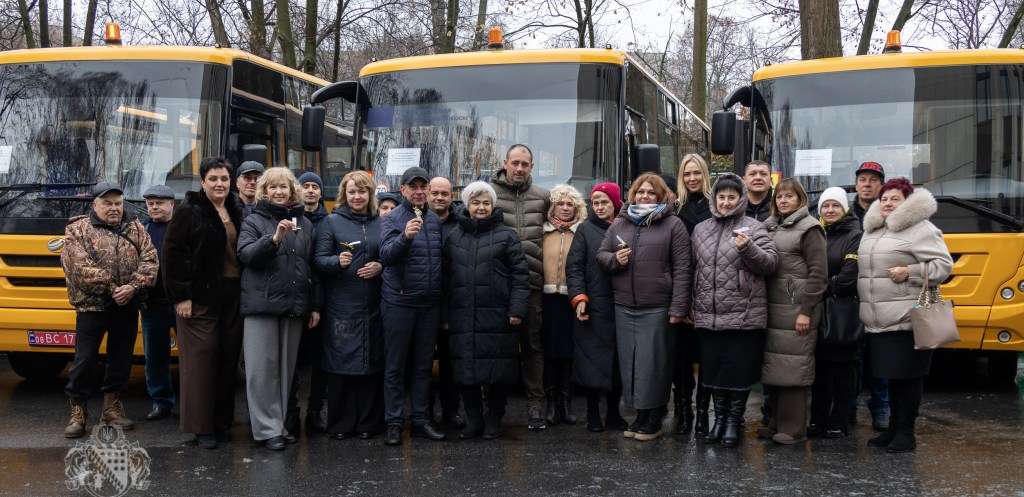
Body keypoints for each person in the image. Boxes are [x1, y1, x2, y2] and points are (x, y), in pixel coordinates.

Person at [858, 177, 952, 453]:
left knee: (908, 377)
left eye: (894, 199)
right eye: (884, 198)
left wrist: (910, 272)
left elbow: (944, 266)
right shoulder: (873, 230)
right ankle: (892, 430)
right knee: (892, 376)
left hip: (907, 317)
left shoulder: (921, 228)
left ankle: (905, 433)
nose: (887, 203)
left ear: (907, 202)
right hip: (878, 319)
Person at [597, 173, 692, 442]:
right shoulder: (620, 223)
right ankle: (640, 414)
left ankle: (654, 417)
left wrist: (678, 308)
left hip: (658, 306)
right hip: (625, 305)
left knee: (654, 365)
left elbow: (683, 269)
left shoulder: (673, 225)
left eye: (651, 193)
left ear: (660, 196)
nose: (644, 197)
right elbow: (601, 255)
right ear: (633, 195)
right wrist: (616, 259)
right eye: (640, 192)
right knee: (631, 364)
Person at [61, 182, 158, 438]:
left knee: (121, 358)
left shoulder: (136, 227)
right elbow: (77, 266)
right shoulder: (77, 229)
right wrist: (115, 287)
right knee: (85, 359)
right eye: (107, 204)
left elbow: (150, 260)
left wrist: (133, 287)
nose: (114, 208)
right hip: (92, 305)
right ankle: (78, 410)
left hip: (126, 305)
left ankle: (111, 407)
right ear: (95, 205)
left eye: (117, 203)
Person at [163, 157, 245, 450]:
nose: (220, 184)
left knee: (226, 360)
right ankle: (201, 428)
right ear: (203, 182)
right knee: (200, 363)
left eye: (224, 178)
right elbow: (172, 256)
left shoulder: (237, 209)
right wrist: (181, 296)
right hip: (198, 299)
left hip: (232, 297)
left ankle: (221, 423)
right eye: (214, 179)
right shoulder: (189, 212)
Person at [691, 173, 778, 448]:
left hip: (743, 313)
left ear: (740, 198)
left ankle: (733, 422)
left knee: (738, 371)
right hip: (708, 313)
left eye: (731, 197)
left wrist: (748, 248)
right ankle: (718, 420)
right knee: (715, 372)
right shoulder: (701, 229)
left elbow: (770, 264)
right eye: (722, 197)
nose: (726, 202)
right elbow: (693, 268)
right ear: (714, 198)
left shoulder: (754, 227)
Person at [237, 167, 320, 451]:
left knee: (286, 371)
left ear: (292, 190)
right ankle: (266, 429)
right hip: (262, 306)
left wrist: (314, 305)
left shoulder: (304, 224)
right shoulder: (253, 220)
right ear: (264, 191)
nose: (279, 191)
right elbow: (246, 255)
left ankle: (280, 425)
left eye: (284, 186)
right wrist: (273, 240)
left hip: (294, 306)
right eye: (272, 187)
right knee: (262, 371)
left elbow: (310, 266)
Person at [443, 181, 530, 440]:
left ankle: (493, 419)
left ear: (493, 206)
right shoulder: (453, 236)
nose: (481, 207)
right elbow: (444, 279)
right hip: (462, 315)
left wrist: (516, 309)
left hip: (498, 315)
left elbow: (520, 276)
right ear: (467, 205)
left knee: (498, 372)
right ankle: (474, 420)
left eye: (486, 203)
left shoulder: (507, 235)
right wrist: (445, 316)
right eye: (475, 202)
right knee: (465, 371)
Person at [315, 171, 386, 440]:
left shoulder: (381, 223)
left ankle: (369, 424)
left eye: (362, 192)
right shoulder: (330, 223)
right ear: (344, 194)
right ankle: (341, 425)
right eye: (352, 192)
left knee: (372, 364)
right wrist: (337, 262)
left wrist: (381, 265)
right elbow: (318, 260)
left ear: (370, 195)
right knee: (340, 366)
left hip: (375, 305)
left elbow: (390, 255)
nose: (357, 197)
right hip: (341, 306)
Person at [379, 166, 446, 445]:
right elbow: (385, 255)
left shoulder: (434, 220)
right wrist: (405, 237)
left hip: (428, 305)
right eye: (413, 187)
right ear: (403, 190)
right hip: (399, 302)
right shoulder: (392, 218)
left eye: (423, 187)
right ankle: (394, 422)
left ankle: (420, 420)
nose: (419, 192)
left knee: (422, 367)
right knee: (395, 366)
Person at [759, 179, 827, 445]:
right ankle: (774, 422)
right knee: (775, 366)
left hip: (797, 309)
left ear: (800, 200)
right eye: (779, 197)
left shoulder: (809, 228)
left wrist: (806, 311)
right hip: (773, 309)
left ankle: (794, 428)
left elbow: (819, 274)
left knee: (794, 367)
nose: (783, 201)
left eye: (789, 197)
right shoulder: (770, 226)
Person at [491, 143, 550, 431]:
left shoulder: (543, 197)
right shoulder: (489, 195)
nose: (519, 168)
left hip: (531, 285)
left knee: (532, 347)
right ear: (505, 163)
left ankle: (535, 406)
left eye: (525, 164)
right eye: (515, 163)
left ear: (531, 167)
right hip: (496, 286)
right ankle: (493, 408)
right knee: (497, 348)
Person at [566, 182, 627, 433]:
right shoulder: (584, 229)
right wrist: (579, 297)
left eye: (605, 202)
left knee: (617, 364)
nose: (600, 207)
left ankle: (614, 413)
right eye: (596, 202)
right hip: (593, 304)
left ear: (615, 202)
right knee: (592, 362)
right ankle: (593, 413)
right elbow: (574, 267)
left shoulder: (626, 227)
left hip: (622, 304)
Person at [809, 187, 862, 438]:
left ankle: (839, 420)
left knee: (843, 371)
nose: (830, 210)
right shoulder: (815, 231)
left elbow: (849, 275)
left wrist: (819, 286)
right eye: (825, 206)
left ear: (845, 208)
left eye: (835, 206)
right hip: (819, 312)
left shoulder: (854, 233)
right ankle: (817, 420)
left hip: (842, 312)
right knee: (819, 371)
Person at [287, 171, 330, 434]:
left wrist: (317, 305)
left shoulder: (330, 221)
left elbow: (319, 268)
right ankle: (291, 413)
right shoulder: (290, 220)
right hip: (293, 299)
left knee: (319, 361)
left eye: (316, 186)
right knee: (292, 360)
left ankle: (315, 411)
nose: (311, 190)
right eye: (306, 186)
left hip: (318, 300)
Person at [541, 184, 587, 426]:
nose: (566, 208)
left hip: (572, 298)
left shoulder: (582, 232)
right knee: (549, 352)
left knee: (568, 352)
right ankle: (550, 403)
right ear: (553, 206)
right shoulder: (543, 231)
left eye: (570, 204)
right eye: (561, 203)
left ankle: (566, 403)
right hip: (547, 298)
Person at [673, 153, 713, 436]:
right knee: (681, 358)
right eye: (687, 174)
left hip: (709, 292)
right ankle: (682, 409)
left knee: (707, 357)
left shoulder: (716, 207)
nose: (692, 178)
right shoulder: (675, 209)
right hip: (680, 290)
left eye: (696, 173)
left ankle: (702, 413)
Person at [850, 161, 891, 432]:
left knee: (880, 358)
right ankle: (848, 407)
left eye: (873, 180)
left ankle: (881, 409)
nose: (867, 184)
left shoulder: (891, 217)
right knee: (852, 358)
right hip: (849, 298)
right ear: (856, 185)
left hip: (880, 297)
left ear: (881, 185)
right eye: (862, 179)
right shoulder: (841, 213)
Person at [427, 176, 465, 429]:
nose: (440, 197)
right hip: (425, 304)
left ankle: (451, 412)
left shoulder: (462, 223)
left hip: (453, 303)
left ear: (452, 196)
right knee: (423, 364)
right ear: (427, 194)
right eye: (435, 193)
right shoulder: (416, 221)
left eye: (445, 193)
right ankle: (425, 413)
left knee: (452, 363)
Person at [140, 184, 178, 422]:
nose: (154, 207)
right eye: (150, 203)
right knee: (155, 357)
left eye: (159, 203)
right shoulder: (142, 231)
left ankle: (195, 404)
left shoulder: (182, 228)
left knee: (193, 356)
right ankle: (161, 402)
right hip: (152, 304)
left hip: (181, 303)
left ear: (171, 204)